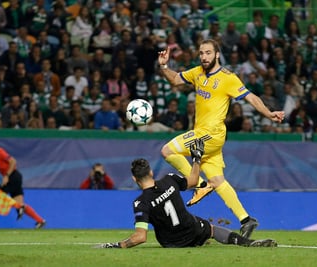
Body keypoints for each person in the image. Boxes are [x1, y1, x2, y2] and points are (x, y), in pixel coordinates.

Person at [157, 39, 285, 239]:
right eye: (201, 53)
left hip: (211, 133)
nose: (204, 57)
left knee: (167, 150)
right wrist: (164, 66)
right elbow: (175, 79)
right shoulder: (197, 72)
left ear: (217, 54)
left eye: (208, 53)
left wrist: (269, 114)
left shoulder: (228, 78)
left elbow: (251, 97)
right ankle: (246, 219)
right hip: (206, 136)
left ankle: (199, 185)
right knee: (217, 181)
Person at [95, 139, 277, 248]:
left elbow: (141, 237)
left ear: (135, 179)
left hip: (170, 243)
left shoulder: (140, 203)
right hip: (193, 230)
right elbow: (192, 181)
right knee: (212, 229)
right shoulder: (170, 180)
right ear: (151, 172)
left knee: (182, 226)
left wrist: (120, 244)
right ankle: (246, 243)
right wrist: (196, 159)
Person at [0, 134, 46, 228]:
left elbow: (13, 161)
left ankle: (19, 207)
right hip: (14, 177)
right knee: (19, 204)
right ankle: (40, 221)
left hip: (13, 176)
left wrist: (6, 175)